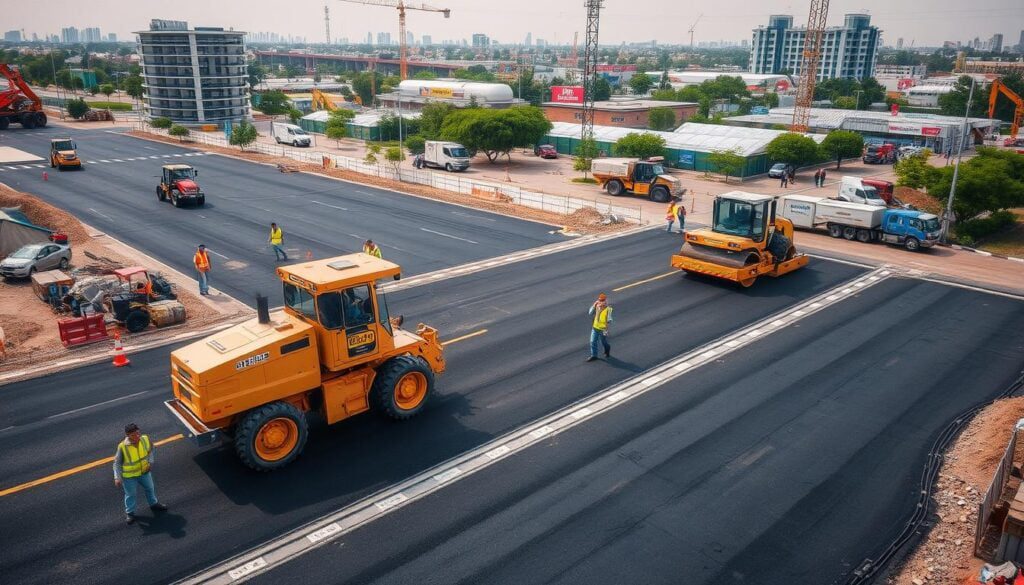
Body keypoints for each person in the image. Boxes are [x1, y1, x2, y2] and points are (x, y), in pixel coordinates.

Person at [113, 423, 167, 525]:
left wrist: (150, 462)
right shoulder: (122, 447)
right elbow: (117, 463)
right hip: (129, 477)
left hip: (144, 472)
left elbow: (151, 450)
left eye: (138, 433)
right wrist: (117, 477)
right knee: (131, 494)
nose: (137, 436)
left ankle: (154, 504)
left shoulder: (145, 439)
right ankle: (130, 513)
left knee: (150, 488)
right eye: (133, 435)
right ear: (127, 435)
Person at [587, 293, 613, 362]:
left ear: (605, 301)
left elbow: (610, 320)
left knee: (603, 342)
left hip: (603, 329)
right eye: (599, 300)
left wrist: (606, 329)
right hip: (595, 328)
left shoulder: (608, 309)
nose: (600, 302)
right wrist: (594, 305)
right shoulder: (596, 306)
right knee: (592, 341)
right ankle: (594, 355)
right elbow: (590, 313)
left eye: (602, 301)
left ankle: (607, 348)